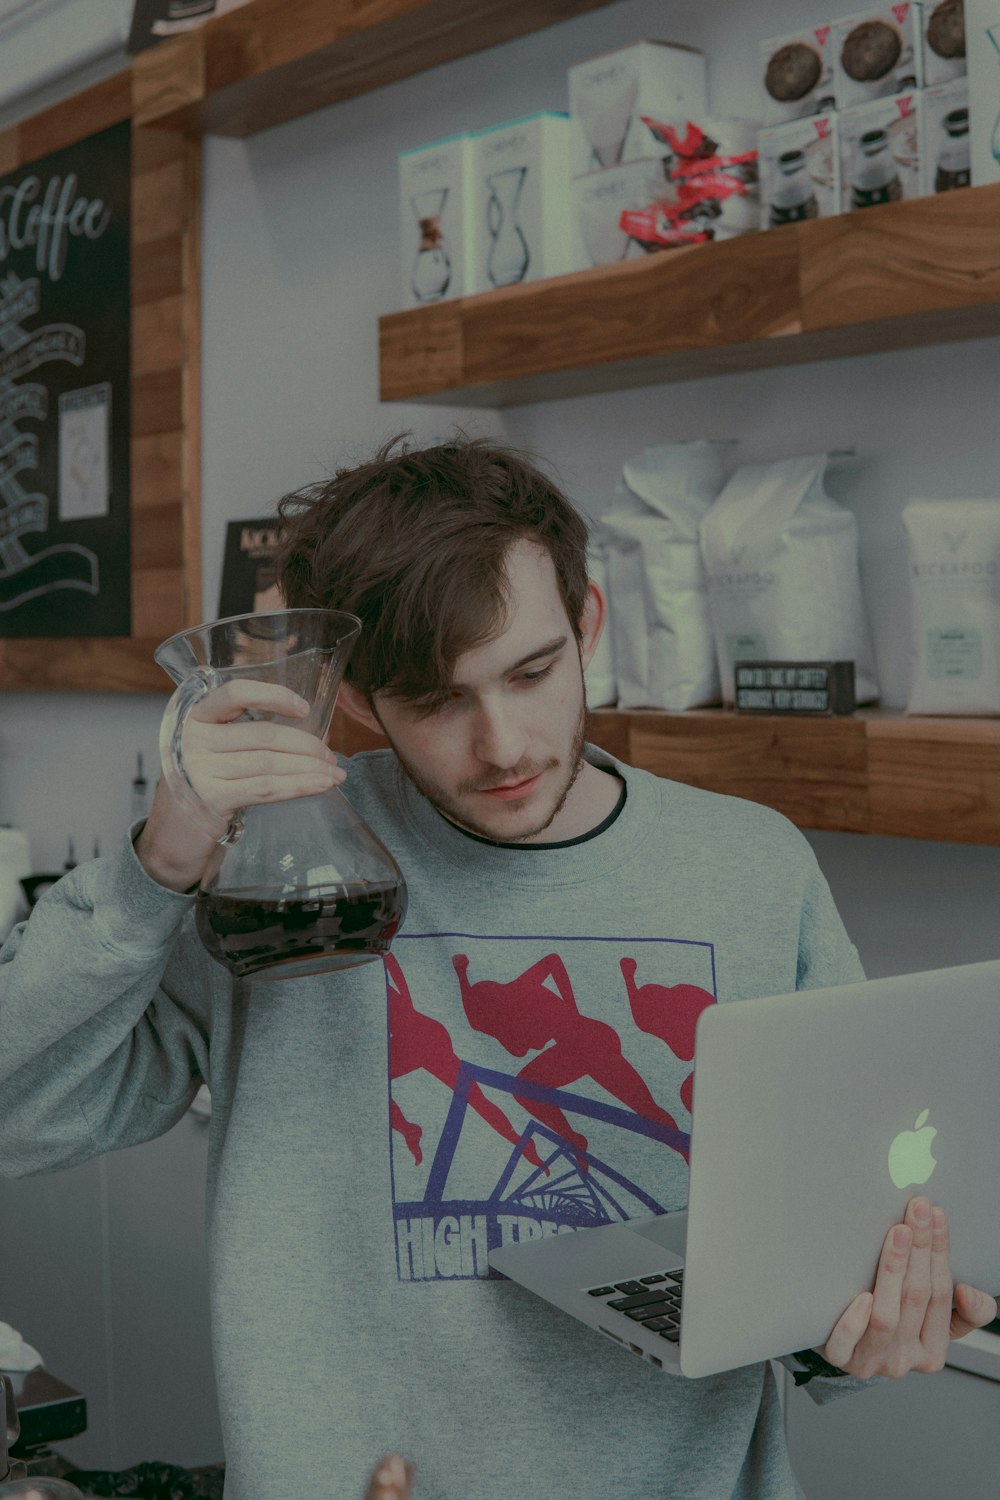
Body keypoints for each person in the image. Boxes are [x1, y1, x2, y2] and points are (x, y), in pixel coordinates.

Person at [0, 434, 995, 1500]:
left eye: (532, 672)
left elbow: (832, 1237)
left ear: (589, 625)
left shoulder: (753, 867)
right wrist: (155, 873)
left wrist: (864, 1330)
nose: (504, 743)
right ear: (360, 704)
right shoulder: (275, 873)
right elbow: (20, 1112)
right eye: (436, 701)